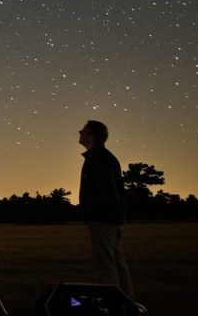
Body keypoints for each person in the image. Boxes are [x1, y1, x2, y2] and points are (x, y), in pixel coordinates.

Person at [79, 120, 134, 299]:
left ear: (92, 136)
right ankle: (127, 303)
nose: (80, 132)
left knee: (106, 267)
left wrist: (96, 214)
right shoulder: (102, 157)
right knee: (117, 263)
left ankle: (112, 305)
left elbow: (107, 191)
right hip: (110, 219)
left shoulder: (99, 158)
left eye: (84, 131)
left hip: (103, 220)